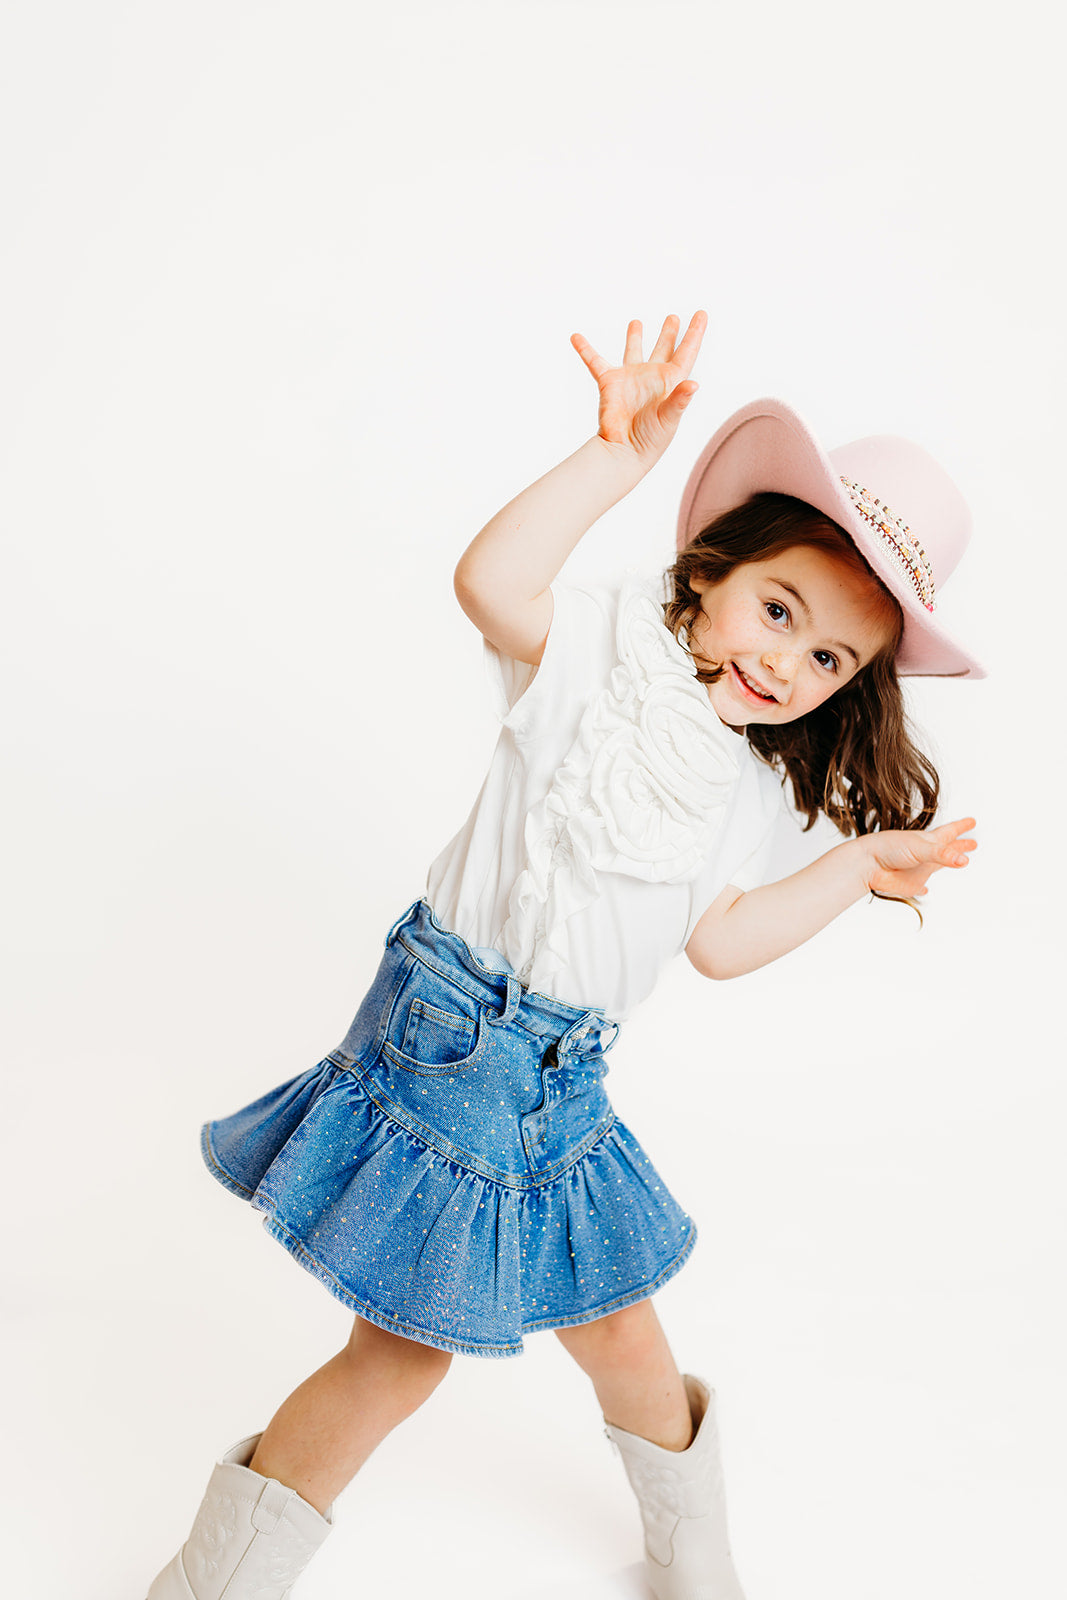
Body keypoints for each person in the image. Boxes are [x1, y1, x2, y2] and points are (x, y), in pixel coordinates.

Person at [146, 311, 981, 1600]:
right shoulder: (594, 651)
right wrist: (609, 462)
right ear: (709, 571)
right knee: (403, 1351)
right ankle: (216, 1577)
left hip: (566, 1081)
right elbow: (488, 583)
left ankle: (692, 1542)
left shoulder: (754, 794)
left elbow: (718, 942)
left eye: (827, 656)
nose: (783, 658)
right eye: (776, 605)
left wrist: (853, 871)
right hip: (449, 1038)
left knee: (618, 1325)